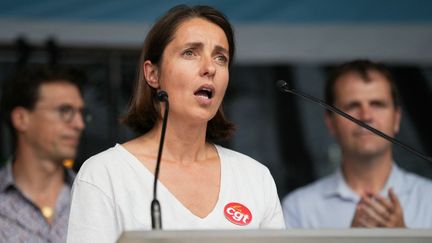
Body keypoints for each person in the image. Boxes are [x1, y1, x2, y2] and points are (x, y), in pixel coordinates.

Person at [67, 4, 285, 243]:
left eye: (221, 57)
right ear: (153, 75)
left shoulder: (254, 177)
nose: (210, 68)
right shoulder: (104, 174)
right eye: (190, 53)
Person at [282, 59, 432, 228]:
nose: (366, 116)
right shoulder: (298, 208)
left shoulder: (429, 198)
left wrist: (405, 239)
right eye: (352, 106)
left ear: (397, 118)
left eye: (377, 104)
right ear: (330, 123)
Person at [0, 65, 88, 242]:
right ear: (21, 119)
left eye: (81, 113)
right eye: (65, 111)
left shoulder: (92, 195)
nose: (79, 124)